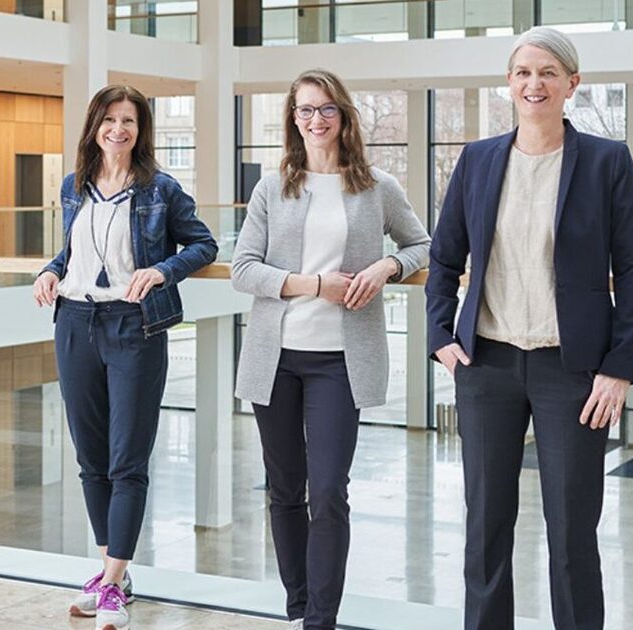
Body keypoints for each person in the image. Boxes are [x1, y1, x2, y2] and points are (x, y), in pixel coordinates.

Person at [425, 27, 633, 630]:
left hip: (571, 372)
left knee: (573, 532)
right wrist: (441, 336)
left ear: (572, 84)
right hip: (486, 366)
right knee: (485, 528)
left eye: (548, 72)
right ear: (509, 82)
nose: (535, 83)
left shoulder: (606, 161)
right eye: (524, 72)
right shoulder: (477, 160)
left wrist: (618, 368)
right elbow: (444, 257)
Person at [231, 69, 430, 630]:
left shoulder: (377, 187)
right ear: (293, 120)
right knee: (285, 489)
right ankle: (298, 608)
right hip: (275, 359)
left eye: (326, 109)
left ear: (343, 116)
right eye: (305, 110)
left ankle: (321, 619)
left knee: (328, 490)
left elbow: (422, 245)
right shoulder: (273, 188)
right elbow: (243, 270)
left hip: (340, 363)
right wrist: (314, 284)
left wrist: (387, 266)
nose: (315, 119)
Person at [32, 84, 217, 630]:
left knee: (126, 460)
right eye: (109, 120)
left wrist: (161, 270)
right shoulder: (74, 186)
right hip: (74, 322)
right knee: (91, 460)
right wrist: (50, 270)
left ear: (141, 130)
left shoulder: (161, 189)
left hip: (134, 326)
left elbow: (203, 244)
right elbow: (75, 250)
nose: (118, 129)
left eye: (129, 121)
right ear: (95, 127)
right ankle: (114, 574)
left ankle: (110, 584)